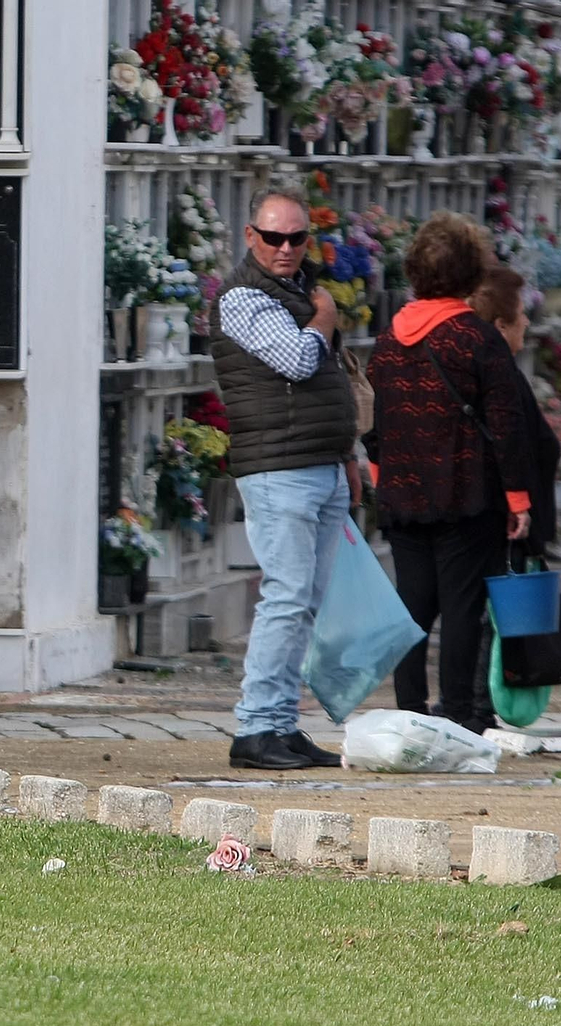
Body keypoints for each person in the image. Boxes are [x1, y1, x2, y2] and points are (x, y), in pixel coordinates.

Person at [365, 214, 534, 736]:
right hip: (466, 494)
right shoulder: (476, 338)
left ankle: (410, 708)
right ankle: (458, 712)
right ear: (469, 273)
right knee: (463, 607)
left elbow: (375, 416)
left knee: (413, 606)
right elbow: (506, 423)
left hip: (402, 495)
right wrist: (518, 499)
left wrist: (380, 474)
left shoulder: (388, 340)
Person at [208, 183, 355, 771]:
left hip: (319, 462)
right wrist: (323, 317)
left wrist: (348, 454)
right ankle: (254, 729)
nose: (285, 248)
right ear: (251, 236)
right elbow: (296, 359)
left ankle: (281, 723)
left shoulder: (294, 291)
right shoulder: (243, 298)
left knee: (306, 603)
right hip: (279, 469)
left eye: (296, 237)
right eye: (273, 237)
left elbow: (326, 382)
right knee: (286, 597)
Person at [468, 266, 561, 556]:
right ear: (501, 326)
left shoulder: (497, 369)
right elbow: (512, 441)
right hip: (505, 525)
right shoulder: (501, 376)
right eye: (521, 313)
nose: (526, 321)